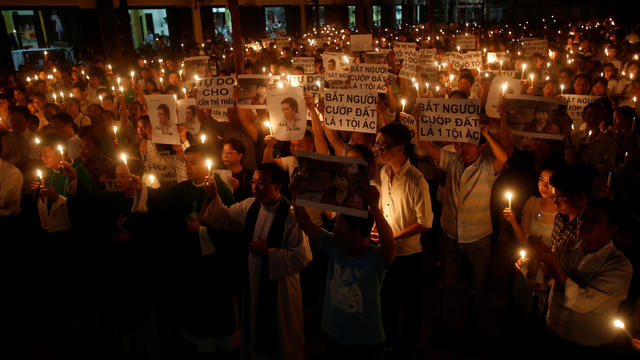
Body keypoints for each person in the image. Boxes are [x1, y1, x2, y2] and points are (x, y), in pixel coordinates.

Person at [200, 162, 312, 360]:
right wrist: (212, 195)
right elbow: (224, 217)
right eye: (253, 182)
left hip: (279, 291)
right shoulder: (250, 206)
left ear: (277, 186)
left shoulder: (291, 217)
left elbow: (302, 258)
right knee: (254, 332)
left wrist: (269, 252)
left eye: (262, 183)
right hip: (253, 281)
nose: (255, 187)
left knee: (281, 340)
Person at [418, 118, 508, 340]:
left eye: (470, 143)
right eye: (460, 143)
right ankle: (448, 326)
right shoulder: (452, 161)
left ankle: (474, 329)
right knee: (448, 285)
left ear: (480, 146)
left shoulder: (487, 167)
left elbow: (503, 157)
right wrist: (421, 118)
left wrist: (486, 134)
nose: (464, 147)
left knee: (477, 288)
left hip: (478, 239)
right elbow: (425, 144)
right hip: (450, 236)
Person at [293, 185, 395, 359]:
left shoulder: (375, 257)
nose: (334, 229)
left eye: (340, 225)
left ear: (357, 232)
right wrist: (296, 196)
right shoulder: (334, 245)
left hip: (366, 339)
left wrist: (374, 209)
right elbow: (305, 222)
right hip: (333, 332)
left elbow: (389, 244)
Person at [529, 197, 632, 350]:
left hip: (587, 346)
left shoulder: (620, 267)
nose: (584, 222)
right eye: (583, 216)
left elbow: (582, 302)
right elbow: (546, 279)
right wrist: (534, 261)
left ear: (612, 229)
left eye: (594, 221)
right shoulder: (568, 245)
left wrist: (552, 265)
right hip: (552, 331)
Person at [375, 123, 433, 359]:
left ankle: (408, 346)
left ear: (401, 148)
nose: (378, 150)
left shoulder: (416, 180)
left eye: (383, 146)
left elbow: (426, 222)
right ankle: (388, 339)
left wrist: (394, 236)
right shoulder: (384, 172)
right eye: (378, 144)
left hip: (408, 253)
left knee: (410, 303)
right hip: (386, 249)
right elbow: (384, 205)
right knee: (387, 298)